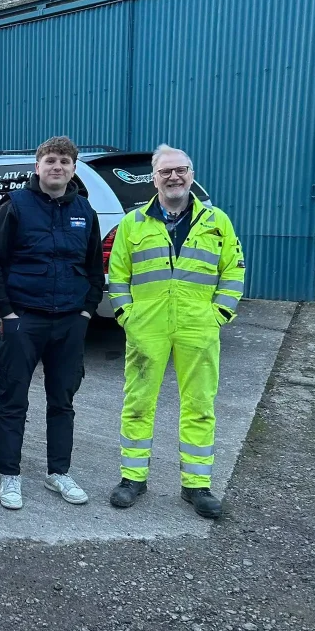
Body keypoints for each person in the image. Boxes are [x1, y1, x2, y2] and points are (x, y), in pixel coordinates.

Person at [106, 144, 245, 519]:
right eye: (166, 171)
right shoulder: (133, 223)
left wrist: (220, 313)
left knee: (200, 406)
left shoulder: (217, 221)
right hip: (147, 327)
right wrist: (126, 314)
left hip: (198, 327)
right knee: (138, 403)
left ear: (192, 174)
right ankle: (132, 478)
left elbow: (233, 271)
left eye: (180, 169)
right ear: (154, 178)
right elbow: (117, 275)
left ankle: (196, 486)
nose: (174, 176)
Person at [0, 136, 105, 511]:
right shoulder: (15, 207)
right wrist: (8, 313)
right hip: (24, 320)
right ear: (37, 166)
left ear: (73, 169)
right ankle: (10, 475)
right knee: (13, 398)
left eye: (65, 161)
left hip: (69, 322)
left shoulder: (85, 211)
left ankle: (58, 472)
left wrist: (86, 312)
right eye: (51, 160)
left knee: (62, 400)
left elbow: (95, 268)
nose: (58, 167)